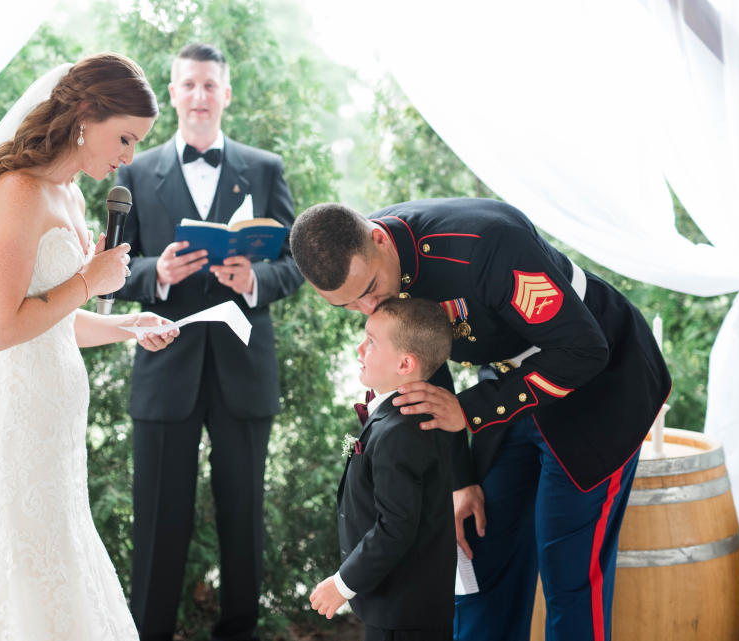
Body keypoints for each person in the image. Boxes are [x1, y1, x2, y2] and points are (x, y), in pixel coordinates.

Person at [290, 199, 672, 641]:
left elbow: (583, 350)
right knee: (481, 556)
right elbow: (424, 367)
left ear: (377, 237)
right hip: (506, 384)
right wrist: (459, 477)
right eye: (349, 305)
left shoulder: (485, 245)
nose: (370, 306)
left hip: (597, 384)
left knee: (569, 569)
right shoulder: (372, 263)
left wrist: (470, 411)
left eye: (370, 288)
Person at [0, 54, 179, 641]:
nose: (127, 158)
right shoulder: (17, 190)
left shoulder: (71, 196)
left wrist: (126, 325)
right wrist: (91, 280)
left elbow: (54, 321)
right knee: (17, 582)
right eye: (124, 138)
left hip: (55, 432)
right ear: (86, 114)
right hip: (14, 427)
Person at [112, 43, 303, 641]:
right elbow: (112, 267)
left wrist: (256, 280)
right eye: (188, 85)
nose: (199, 97)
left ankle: (239, 633)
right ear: (172, 92)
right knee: (159, 520)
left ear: (226, 93)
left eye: (209, 86)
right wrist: (156, 276)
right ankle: (149, 632)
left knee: (242, 517)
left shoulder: (264, 168)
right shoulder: (135, 172)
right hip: (165, 366)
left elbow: (299, 260)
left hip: (244, 369)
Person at [310, 297, 456, 641]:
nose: (360, 348)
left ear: (405, 364)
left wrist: (343, 584)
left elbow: (395, 526)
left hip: (403, 611)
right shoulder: (397, 416)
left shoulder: (401, 430)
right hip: (396, 602)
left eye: (372, 342)